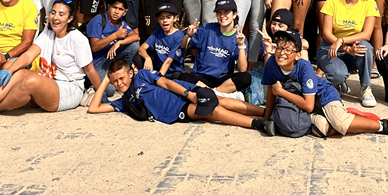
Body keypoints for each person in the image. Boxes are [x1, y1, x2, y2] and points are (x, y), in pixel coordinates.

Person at [0, 0, 97, 122]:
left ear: (70, 18)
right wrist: (9, 70)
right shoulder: (48, 32)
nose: (55, 18)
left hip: (69, 89)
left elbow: (89, 69)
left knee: (30, 81)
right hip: (49, 84)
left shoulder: (77, 39)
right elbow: (28, 55)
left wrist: (100, 93)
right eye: (53, 13)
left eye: (61, 14)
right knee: (18, 73)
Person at [264, 30, 388, 138]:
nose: (282, 53)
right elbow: (271, 89)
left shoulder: (304, 67)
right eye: (279, 47)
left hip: (322, 95)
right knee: (322, 131)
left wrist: (282, 92)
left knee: (340, 123)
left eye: (288, 49)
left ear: (297, 55)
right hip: (301, 101)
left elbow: (307, 104)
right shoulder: (272, 62)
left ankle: (383, 125)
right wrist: (266, 118)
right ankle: (351, 117)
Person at [91, 57, 275, 135]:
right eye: (115, 82)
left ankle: (266, 112)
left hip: (184, 95)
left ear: (130, 73)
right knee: (213, 111)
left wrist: (188, 94)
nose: (119, 83)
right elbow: (94, 108)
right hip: (176, 111)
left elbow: (166, 83)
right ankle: (257, 123)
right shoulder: (124, 101)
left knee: (222, 100)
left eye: (121, 78)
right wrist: (106, 80)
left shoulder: (141, 76)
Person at [317, 0, 380, 107]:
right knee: (338, 75)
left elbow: (367, 34)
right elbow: (326, 33)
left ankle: (365, 87)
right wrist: (345, 48)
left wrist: (342, 40)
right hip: (330, 46)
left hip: (350, 45)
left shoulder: (369, 3)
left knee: (365, 47)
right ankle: (338, 81)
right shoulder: (333, 0)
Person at [174, 0, 251, 94]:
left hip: (222, 79)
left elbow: (242, 69)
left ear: (234, 14)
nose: (222, 16)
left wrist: (241, 45)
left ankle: (211, 93)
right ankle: (216, 94)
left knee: (246, 77)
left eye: (226, 12)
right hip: (201, 77)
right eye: (219, 13)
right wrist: (189, 35)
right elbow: (184, 47)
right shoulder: (207, 29)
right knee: (183, 77)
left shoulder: (239, 37)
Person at [86, 0, 140, 81]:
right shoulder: (99, 19)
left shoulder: (121, 23)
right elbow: (95, 47)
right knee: (110, 91)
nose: (116, 12)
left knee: (134, 46)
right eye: (114, 7)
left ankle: (123, 73)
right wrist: (115, 35)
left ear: (125, 12)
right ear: (109, 7)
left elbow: (136, 37)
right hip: (97, 61)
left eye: (120, 9)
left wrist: (119, 42)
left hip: (111, 57)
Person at [137, 2, 186, 75]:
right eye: (161, 18)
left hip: (172, 72)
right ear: (157, 20)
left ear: (175, 18)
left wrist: (158, 79)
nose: (165, 20)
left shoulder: (179, 36)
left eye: (168, 17)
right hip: (157, 69)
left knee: (177, 76)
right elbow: (141, 49)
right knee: (137, 56)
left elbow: (168, 61)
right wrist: (148, 58)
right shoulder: (157, 32)